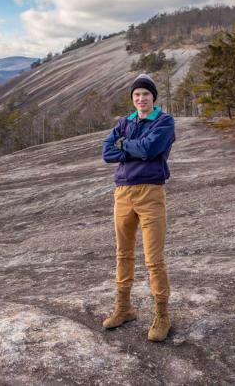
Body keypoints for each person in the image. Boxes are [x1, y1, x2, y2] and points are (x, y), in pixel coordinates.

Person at [101, 73, 176, 342]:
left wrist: (127, 147)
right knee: (123, 254)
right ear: (132, 99)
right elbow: (107, 151)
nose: (141, 98)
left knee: (153, 259)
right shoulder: (125, 121)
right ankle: (124, 308)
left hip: (150, 192)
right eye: (136, 95)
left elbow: (149, 148)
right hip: (123, 192)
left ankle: (162, 314)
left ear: (153, 97)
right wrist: (133, 148)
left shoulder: (164, 121)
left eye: (145, 94)